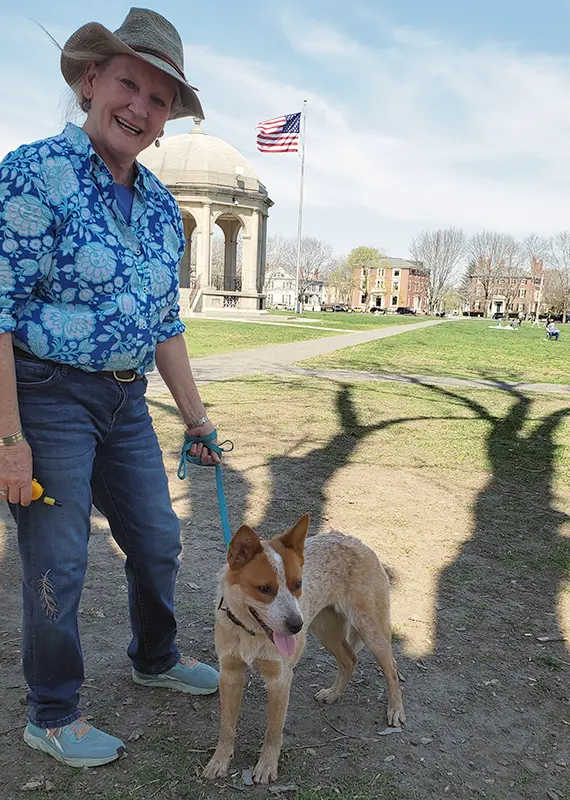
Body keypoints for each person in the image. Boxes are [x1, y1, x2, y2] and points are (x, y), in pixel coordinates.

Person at [0, 8, 221, 768]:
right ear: (92, 81)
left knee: (159, 539)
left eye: (158, 99)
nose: (139, 106)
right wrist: (10, 439)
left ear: (166, 121)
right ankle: (52, 713)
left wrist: (197, 419)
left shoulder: (161, 208)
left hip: (128, 403)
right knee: (58, 563)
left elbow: (165, 326)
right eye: (129, 84)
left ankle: (153, 657)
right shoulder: (34, 172)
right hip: (47, 395)